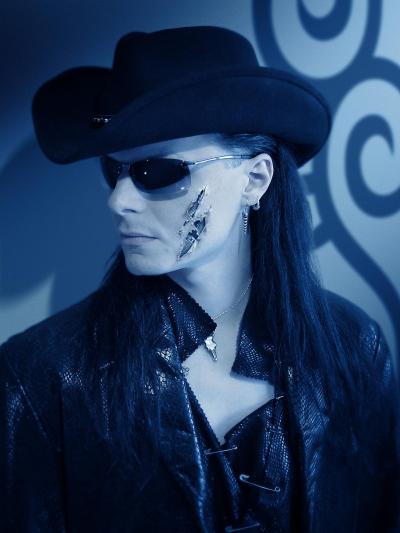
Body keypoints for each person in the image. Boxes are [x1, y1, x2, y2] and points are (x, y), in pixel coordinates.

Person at [1, 25, 399, 533]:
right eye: (114, 171)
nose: (118, 200)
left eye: (157, 172)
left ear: (255, 179)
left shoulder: (354, 347)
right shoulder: (43, 378)